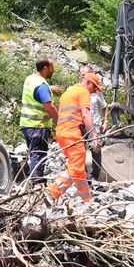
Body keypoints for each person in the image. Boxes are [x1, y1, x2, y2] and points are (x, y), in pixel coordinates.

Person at [48, 71, 102, 203]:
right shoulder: (83, 92)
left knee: (77, 166)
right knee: (76, 166)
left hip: (62, 133)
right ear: (88, 83)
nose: (94, 91)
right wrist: (94, 135)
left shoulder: (68, 93)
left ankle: (87, 199)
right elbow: (85, 115)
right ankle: (52, 193)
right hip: (72, 133)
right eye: (94, 88)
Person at [20, 58, 62, 179]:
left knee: (34, 153)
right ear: (45, 68)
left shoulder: (30, 79)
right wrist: (60, 122)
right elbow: (49, 107)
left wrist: (50, 88)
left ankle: (34, 181)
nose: (53, 71)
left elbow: (36, 92)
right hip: (38, 126)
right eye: (52, 68)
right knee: (38, 155)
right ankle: (36, 184)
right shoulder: (42, 86)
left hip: (26, 125)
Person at [80, 65, 107, 181]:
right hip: (80, 125)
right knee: (80, 150)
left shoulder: (97, 93)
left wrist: (105, 121)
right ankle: (83, 176)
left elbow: (105, 106)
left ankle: (95, 176)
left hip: (95, 125)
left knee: (96, 150)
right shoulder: (78, 91)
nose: (84, 78)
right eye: (82, 76)